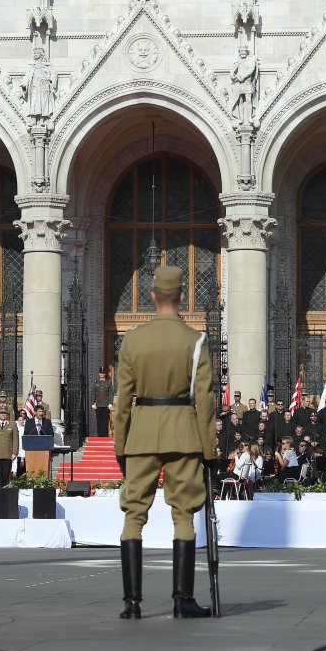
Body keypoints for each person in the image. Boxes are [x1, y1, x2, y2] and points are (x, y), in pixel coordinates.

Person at [112, 265, 215, 620]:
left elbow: (122, 399)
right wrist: (209, 449)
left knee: (134, 514)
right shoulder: (196, 341)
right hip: (184, 433)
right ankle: (182, 599)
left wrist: (120, 445)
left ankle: (132, 603)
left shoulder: (132, 340)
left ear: (153, 296)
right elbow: (205, 401)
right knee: (184, 513)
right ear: (182, 297)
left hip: (141, 432)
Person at [93, 368, 113, 437]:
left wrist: (110, 403)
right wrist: (93, 402)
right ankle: (99, 435)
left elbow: (111, 393)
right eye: (101, 373)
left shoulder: (108, 382)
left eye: (103, 373)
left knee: (105, 420)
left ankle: (104, 435)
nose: (102, 374)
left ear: (105, 374)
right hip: (98, 404)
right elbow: (93, 393)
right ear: (99, 374)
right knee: (99, 419)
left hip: (105, 404)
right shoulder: (96, 382)